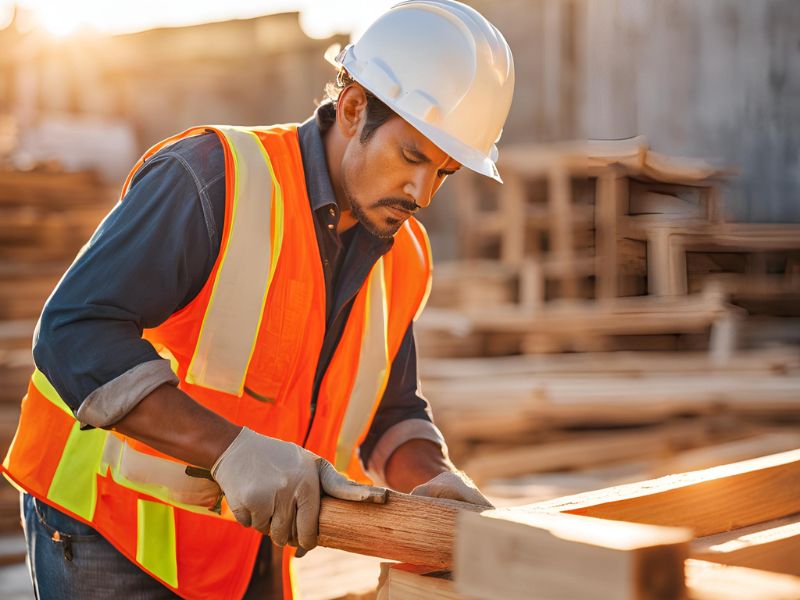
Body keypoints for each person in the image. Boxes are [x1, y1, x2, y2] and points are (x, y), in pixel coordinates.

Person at [2, 1, 514, 598]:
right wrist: (231, 450)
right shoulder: (212, 178)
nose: (423, 192)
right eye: (412, 157)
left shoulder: (404, 255)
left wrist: (433, 479)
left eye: (446, 172)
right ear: (353, 109)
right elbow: (73, 331)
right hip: (107, 532)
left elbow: (389, 412)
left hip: (248, 542)